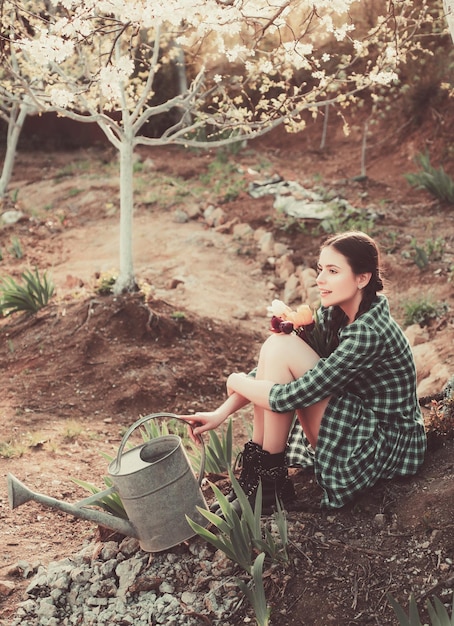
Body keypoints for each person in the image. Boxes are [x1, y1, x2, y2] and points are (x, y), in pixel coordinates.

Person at [181, 231, 427, 513]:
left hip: (386, 447)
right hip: (360, 421)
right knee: (277, 344)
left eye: (333, 271)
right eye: (321, 269)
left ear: (362, 278)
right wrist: (220, 412)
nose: (320, 279)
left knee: (281, 349)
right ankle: (260, 483)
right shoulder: (336, 314)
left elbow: (289, 396)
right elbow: (268, 375)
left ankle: (266, 486)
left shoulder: (369, 332)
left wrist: (233, 380)